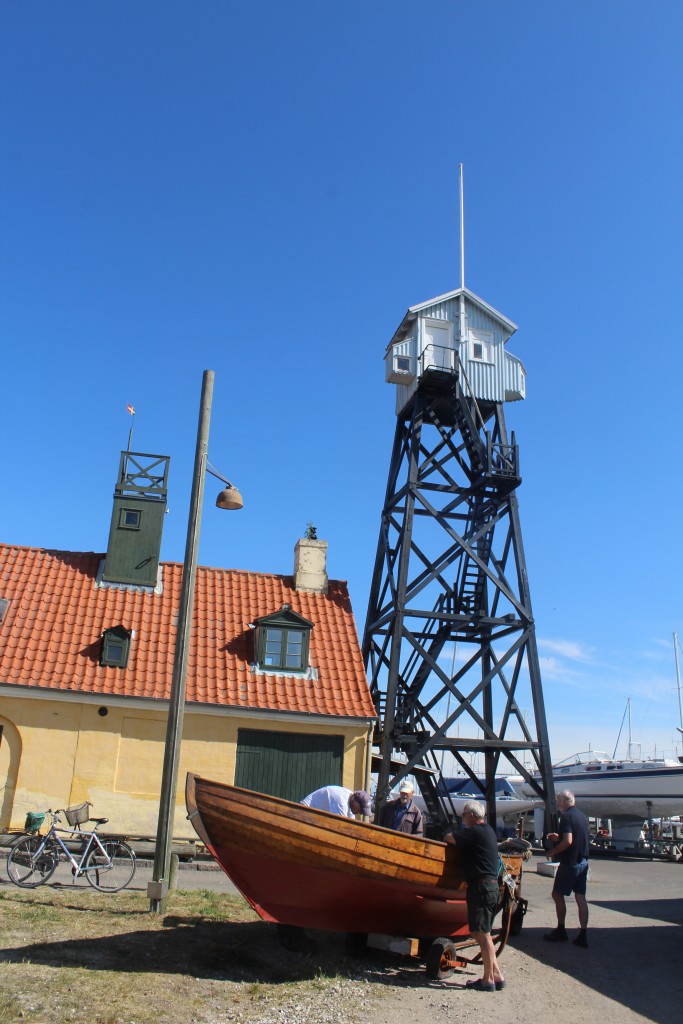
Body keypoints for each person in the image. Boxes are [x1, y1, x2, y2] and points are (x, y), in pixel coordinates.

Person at [445, 800, 505, 992]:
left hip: (481, 887)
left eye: (463, 815)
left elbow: (449, 838)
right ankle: (496, 975)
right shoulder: (488, 830)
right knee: (483, 932)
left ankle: (487, 980)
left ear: (471, 816)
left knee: (482, 934)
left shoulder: (474, 832)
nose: (462, 819)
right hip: (491, 887)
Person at [544, 789, 590, 947]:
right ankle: (583, 934)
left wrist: (553, 850)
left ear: (564, 801)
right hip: (583, 862)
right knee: (580, 897)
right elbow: (574, 836)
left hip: (570, 863)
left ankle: (561, 929)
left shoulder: (566, 816)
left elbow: (568, 841)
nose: (557, 803)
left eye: (558, 800)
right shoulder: (582, 817)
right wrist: (559, 837)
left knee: (557, 894)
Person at [301, 785, 371, 818]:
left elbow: (351, 824)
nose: (361, 813)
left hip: (314, 816)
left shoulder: (351, 799)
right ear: (353, 801)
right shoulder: (341, 802)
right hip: (304, 811)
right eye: (360, 809)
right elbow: (340, 825)